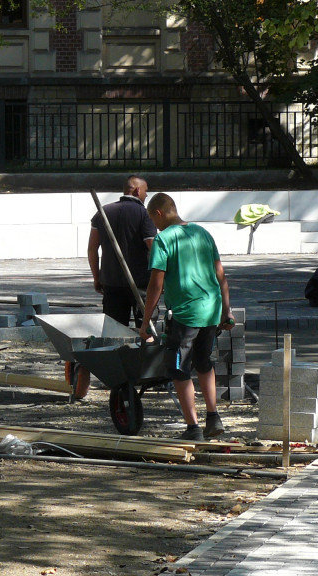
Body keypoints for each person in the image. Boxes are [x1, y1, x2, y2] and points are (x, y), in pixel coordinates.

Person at [138, 193, 234, 441]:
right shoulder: (202, 233)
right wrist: (227, 310)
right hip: (211, 310)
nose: (154, 225)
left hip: (186, 314)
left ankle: (193, 429)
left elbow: (155, 285)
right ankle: (213, 418)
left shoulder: (164, 239)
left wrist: (145, 321)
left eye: (152, 219)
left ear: (158, 213)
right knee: (204, 363)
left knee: (179, 369)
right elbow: (220, 273)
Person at [87, 175, 157, 326]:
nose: (146, 195)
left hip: (111, 281)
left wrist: (97, 277)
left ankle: (118, 350)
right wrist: (160, 278)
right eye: (146, 191)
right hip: (141, 283)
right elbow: (154, 247)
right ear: (138, 190)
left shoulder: (103, 212)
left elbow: (92, 249)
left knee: (114, 330)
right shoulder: (145, 214)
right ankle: (145, 350)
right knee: (147, 329)